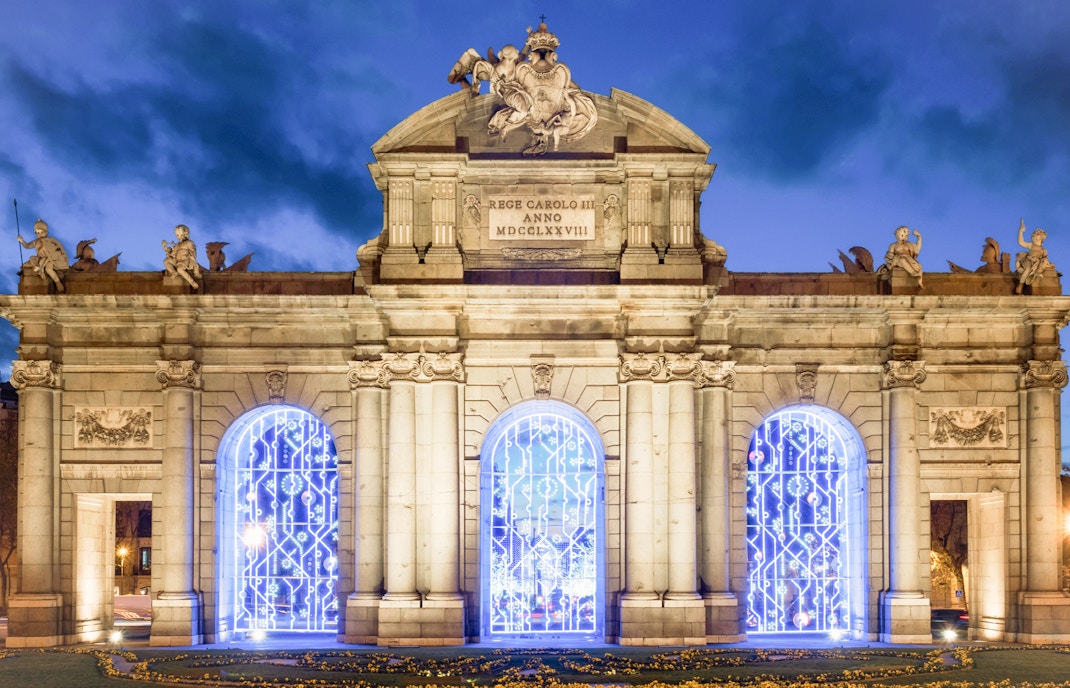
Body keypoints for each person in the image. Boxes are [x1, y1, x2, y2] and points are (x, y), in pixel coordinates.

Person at [17, 218, 68, 291]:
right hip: (40, 258)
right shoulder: (36, 241)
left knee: (48, 269)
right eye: (36, 232)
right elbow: (27, 246)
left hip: (50, 260)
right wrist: (21, 241)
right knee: (32, 258)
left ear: (45, 231)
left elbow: (57, 251)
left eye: (40, 231)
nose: (38, 233)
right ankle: (38, 267)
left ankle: (58, 283)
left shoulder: (51, 241)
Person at [1015, 218, 1053, 294]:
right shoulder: (1031, 245)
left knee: (1044, 261)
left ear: (1041, 238)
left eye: (1037, 236)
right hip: (1028, 260)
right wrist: (1020, 231)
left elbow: (1045, 258)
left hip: (1036, 263)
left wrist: (1047, 263)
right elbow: (1020, 242)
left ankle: (1038, 272)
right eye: (1034, 236)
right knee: (1028, 269)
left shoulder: (1043, 250)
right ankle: (1020, 285)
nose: (1034, 237)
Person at [162, 224, 201, 289]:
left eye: (181, 235)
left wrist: (192, 261)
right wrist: (166, 249)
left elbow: (193, 251)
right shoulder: (177, 244)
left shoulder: (189, 242)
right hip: (176, 260)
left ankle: (192, 282)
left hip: (184, 260)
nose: (179, 237)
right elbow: (173, 253)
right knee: (166, 261)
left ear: (185, 234)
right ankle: (173, 272)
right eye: (177, 235)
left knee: (180, 269)